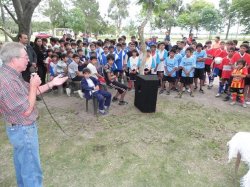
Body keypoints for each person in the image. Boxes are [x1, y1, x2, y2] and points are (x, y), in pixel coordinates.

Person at [0, 42, 68, 187]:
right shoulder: (6, 81)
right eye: (25, 57)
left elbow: (30, 94)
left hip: (18, 129)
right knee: (31, 170)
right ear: (14, 59)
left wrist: (51, 84)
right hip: (22, 129)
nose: (29, 60)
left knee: (23, 166)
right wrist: (32, 85)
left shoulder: (12, 74)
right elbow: (26, 109)